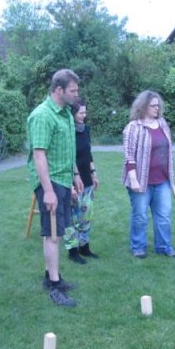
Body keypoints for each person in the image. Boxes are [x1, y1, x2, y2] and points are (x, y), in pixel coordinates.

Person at [27, 69, 84, 307]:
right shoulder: (43, 115)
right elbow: (39, 155)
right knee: (52, 234)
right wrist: (48, 190)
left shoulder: (66, 114)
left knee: (57, 233)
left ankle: (51, 275)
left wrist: (75, 175)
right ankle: (54, 284)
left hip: (63, 179)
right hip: (49, 182)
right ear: (58, 90)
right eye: (73, 90)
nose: (76, 94)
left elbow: (68, 149)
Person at [122, 90, 175, 259]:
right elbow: (129, 155)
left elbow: (169, 151)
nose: (157, 108)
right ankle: (138, 247)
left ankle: (164, 246)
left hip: (162, 180)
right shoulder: (133, 127)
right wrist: (133, 180)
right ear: (143, 106)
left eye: (158, 105)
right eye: (153, 105)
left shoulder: (162, 123)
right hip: (140, 181)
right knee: (140, 216)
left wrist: (172, 178)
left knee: (164, 216)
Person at [69, 98, 100, 264]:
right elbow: (67, 157)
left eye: (85, 112)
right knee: (72, 219)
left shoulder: (85, 130)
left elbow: (89, 154)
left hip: (87, 179)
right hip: (72, 180)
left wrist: (94, 173)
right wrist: (72, 182)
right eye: (81, 112)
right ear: (73, 113)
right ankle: (72, 251)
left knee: (86, 215)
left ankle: (84, 247)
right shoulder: (67, 131)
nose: (84, 115)